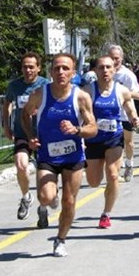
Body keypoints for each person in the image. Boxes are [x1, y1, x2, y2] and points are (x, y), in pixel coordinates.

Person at [20, 53, 97, 257]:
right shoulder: (39, 94)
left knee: (69, 201)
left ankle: (60, 239)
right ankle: (50, 200)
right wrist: (31, 137)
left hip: (73, 157)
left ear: (73, 72)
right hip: (47, 155)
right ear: (51, 71)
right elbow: (24, 114)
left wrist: (77, 130)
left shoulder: (81, 96)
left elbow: (93, 128)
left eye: (65, 68)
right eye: (56, 68)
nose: (60, 72)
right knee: (45, 197)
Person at [83, 55, 139, 229]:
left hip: (114, 137)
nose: (105, 71)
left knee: (113, 174)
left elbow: (130, 111)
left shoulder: (121, 90)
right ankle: (102, 187)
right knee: (93, 181)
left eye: (108, 67)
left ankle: (106, 214)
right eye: (101, 67)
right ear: (96, 70)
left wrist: (135, 119)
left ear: (114, 70)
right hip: (93, 139)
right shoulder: (87, 91)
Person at [2, 52, 49, 221]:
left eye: (31, 67)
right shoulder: (14, 86)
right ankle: (26, 196)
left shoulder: (45, 84)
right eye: (25, 67)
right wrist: (7, 126)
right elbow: (7, 104)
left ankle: (43, 207)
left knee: (43, 173)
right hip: (22, 133)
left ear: (38, 68)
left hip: (43, 135)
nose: (28, 70)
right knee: (21, 165)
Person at [109, 45, 139, 182]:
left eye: (116, 58)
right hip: (109, 114)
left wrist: (123, 93)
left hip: (125, 114)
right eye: (111, 58)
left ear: (121, 58)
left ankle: (129, 164)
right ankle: (114, 171)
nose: (114, 61)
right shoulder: (103, 72)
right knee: (113, 144)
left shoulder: (127, 75)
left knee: (128, 142)